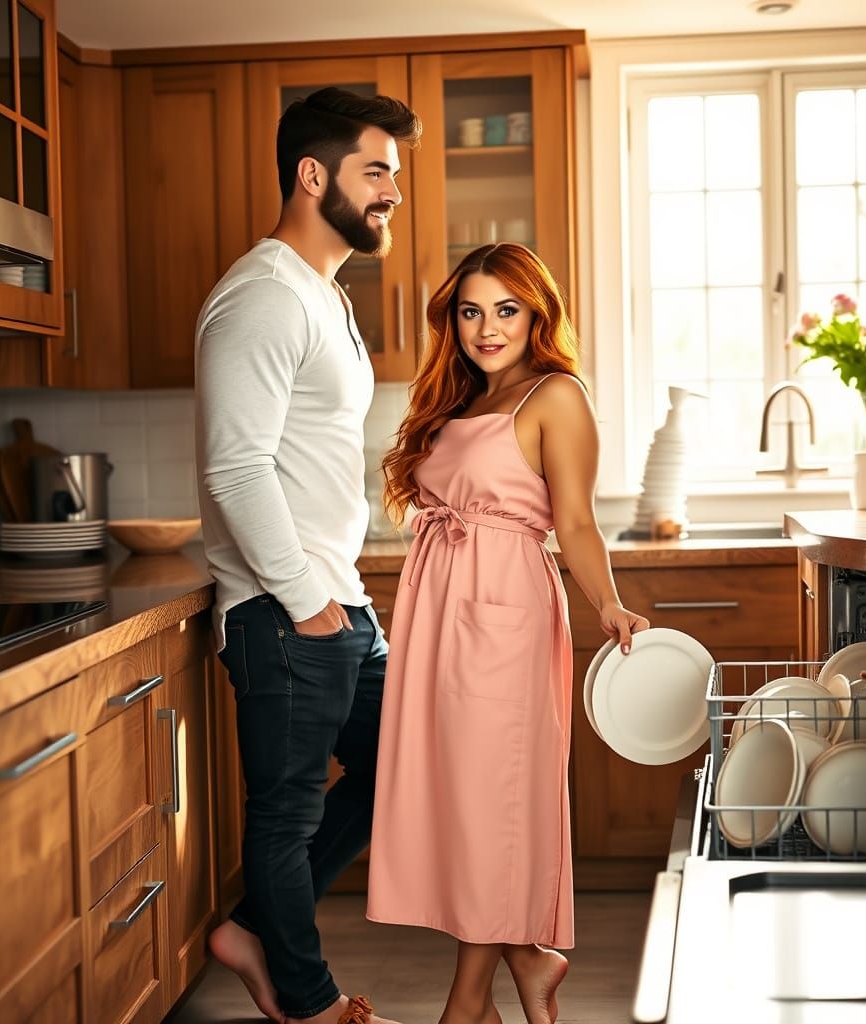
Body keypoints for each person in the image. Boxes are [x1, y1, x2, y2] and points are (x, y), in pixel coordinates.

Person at [366, 243, 650, 1024]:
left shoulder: (556, 396)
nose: (486, 328)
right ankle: (528, 961)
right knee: (460, 798)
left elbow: (578, 523)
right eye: (470, 311)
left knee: (493, 799)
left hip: (504, 615)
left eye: (505, 309)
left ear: (536, 315)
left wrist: (609, 604)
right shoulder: (455, 401)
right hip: (438, 614)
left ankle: (467, 1005)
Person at [194, 87, 421, 1024]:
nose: (392, 195)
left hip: (334, 600)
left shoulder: (321, 294)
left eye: (396, 179)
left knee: (399, 768)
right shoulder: (260, 296)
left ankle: (250, 928)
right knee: (285, 814)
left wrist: (343, 595)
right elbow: (236, 468)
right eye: (377, 173)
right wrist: (304, 600)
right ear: (312, 174)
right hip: (285, 612)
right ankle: (308, 997)